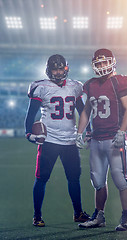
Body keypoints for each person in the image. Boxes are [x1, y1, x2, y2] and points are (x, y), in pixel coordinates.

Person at [25, 54, 91, 227]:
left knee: (74, 178)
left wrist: (88, 130)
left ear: (66, 68)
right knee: (42, 178)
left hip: (70, 140)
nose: (58, 72)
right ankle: (37, 215)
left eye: (60, 68)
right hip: (49, 140)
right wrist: (28, 132)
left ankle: (78, 213)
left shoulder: (75, 86)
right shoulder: (41, 87)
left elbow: (82, 111)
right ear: (48, 70)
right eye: (55, 68)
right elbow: (31, 113)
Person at [76, 48, 127, 231]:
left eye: (104, 62)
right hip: (96, 139)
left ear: (112, 62)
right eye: (98, 63)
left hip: (113, 138)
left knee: (120, 179)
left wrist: (121, 131)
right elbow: (86, 110)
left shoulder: (121, 81)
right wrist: (80, 132)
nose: (101, 66)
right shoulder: (91, 84)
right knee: (98, 180)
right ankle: (99, 216)